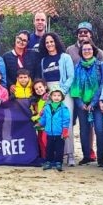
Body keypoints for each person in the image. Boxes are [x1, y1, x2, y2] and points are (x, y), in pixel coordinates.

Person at [38, 32, 76, 166]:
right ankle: (55, 155)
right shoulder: (43, 60)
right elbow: (43, 79)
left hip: (63, 92)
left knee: (66, 122)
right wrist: (46, 92)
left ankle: (70, 154)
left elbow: (71, 76)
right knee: (51, 123)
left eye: (51, 41)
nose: (49, 44)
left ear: (56, 42)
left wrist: (61, 92)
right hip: (49, 93)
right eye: (47, 42)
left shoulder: (65, 57)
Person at [70, 39, 103, 165]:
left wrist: (93, 103)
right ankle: (86, 156)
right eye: (84, 49)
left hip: (96, 103)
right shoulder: (77, 67)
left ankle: (100, 158)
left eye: (89, 49)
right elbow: (74, 87)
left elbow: (102, 85)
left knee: (99, 129)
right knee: (84, 130)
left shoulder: (101, 66)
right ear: (81, 52)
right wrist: (81, 104)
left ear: (94, 51)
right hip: (82, 104)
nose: (87, 51)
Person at [37, 88, 70, 172]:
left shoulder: (64, 108)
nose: (56, 97)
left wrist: (65, 129)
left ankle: (58, 162)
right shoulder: (47, 107)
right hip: (49, 133)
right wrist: (40, 123)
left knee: (59, 149)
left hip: (59, 133)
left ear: (62, 97)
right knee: (49, 148)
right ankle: (48, 162)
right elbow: (44, 118)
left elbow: (66, 119)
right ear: (51, 97)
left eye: (59, 95)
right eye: (54, 95)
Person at [29, 79, 48, 156]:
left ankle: (49, 158)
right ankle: (44, 157)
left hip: (47, 125)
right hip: (40, 125)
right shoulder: (36, 100)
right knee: (40, 141)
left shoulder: (49, 97)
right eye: (36, 89)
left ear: (45, 87)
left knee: (45, 141)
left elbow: (44, 111)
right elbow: (33, 111)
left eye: (40, 87)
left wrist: (35, 117)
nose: (39, 90)